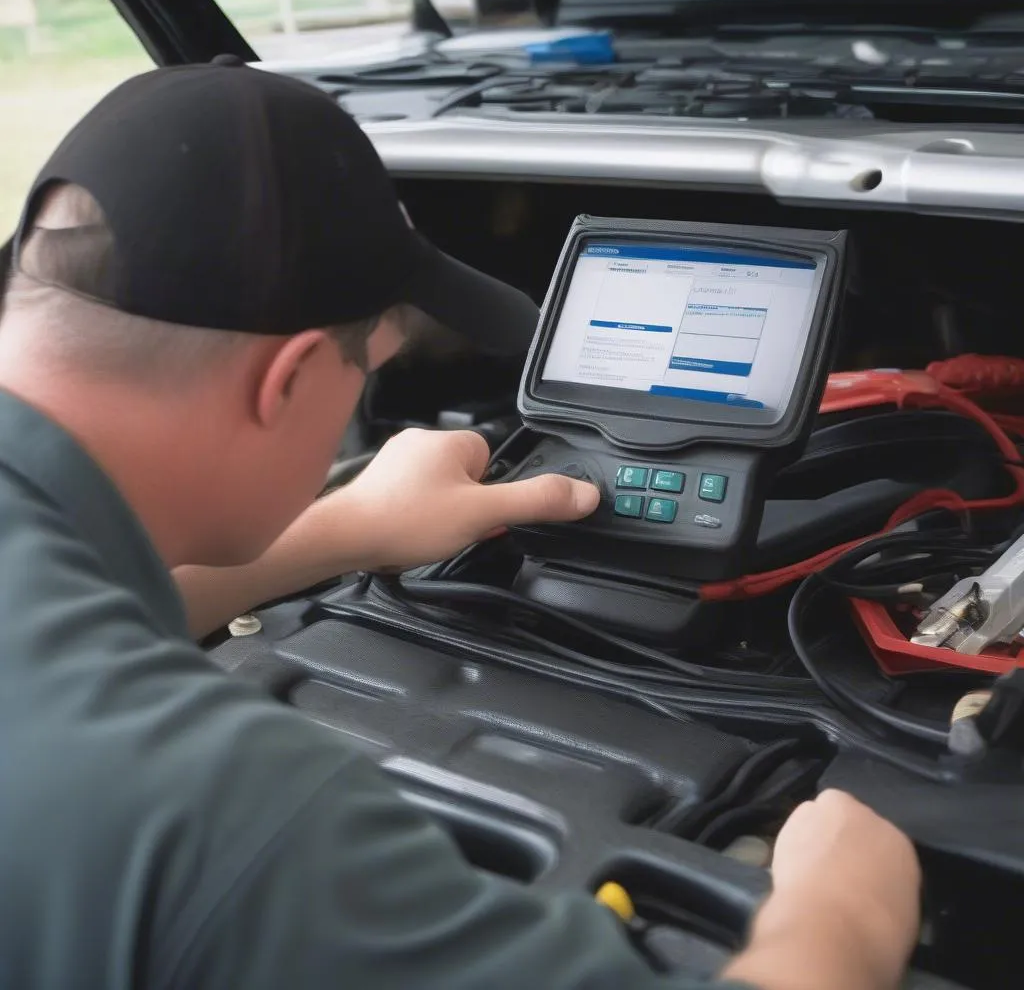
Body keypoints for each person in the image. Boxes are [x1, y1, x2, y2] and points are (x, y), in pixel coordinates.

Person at [0, 57, 921, 990]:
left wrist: (351, 525)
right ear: (283, 383)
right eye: (370, 368)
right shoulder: (219, 808)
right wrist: (845, 914)